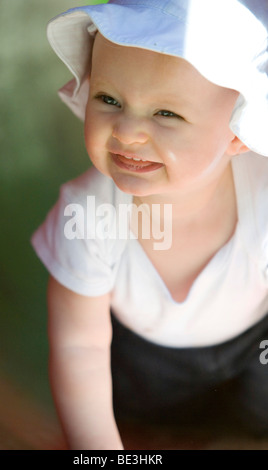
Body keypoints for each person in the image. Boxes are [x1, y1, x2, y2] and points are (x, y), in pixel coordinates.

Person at [31, 0, 268, 450]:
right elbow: (78, 348)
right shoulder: (88, 215)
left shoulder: (264, 200)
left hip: (257, 347)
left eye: (167, 114)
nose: (126, 131)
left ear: (239, 132)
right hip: (143, 356)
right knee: (141, 428)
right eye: (108, 99)